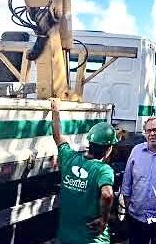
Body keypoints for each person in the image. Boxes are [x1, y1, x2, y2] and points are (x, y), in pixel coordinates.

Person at [50, 98, 117, 244]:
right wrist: (104, 220)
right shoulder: (103, 170)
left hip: (66, 238)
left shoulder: (68, 158)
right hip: (92, 239)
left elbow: (57, 136)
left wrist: (55, 111)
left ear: (89, 143)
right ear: (108, 149)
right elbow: (107, 194)